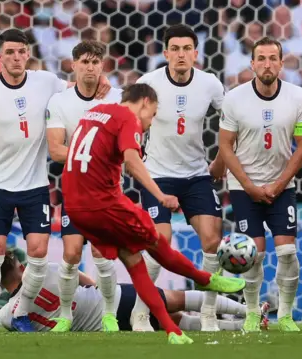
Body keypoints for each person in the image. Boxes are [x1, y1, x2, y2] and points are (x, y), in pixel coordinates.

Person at [0, 29, 110, 333]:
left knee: (38, 251)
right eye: (10, 52)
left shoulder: (45, 81)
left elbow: (78, 87)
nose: (16, 57)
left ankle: (21, 312)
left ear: (28, 54)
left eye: (21, 52)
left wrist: (101, 80)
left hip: (35, 185)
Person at [60, 83, 246, 344]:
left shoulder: (94, 112)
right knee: (160, 247)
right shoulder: (127, 118)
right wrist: (161, 195)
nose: (150, 122)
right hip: (104, 205)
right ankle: (205, 279)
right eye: (154, 113)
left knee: (134, 260)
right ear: (145, 102)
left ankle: (171, 329)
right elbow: (133, 161)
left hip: (75, 207)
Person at [132, 24, 227, 332]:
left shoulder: (210, 84)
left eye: (187, 49)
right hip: (158, 175)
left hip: (196, 174)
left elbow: (232, 125)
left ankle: (210, 313)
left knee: (213, 241)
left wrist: (220, 162)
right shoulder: (148, 83)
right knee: (160, 244)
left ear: (196, 54)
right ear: (166, 53)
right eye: (175, 49)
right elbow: (130, 123)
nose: (181, 54)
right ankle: (140, 313)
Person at [218, 37, 302, 333]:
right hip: (244, 188)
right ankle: (251, 314)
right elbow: (225, 146)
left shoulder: (298, 97)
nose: (267, 63)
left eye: (273, 58)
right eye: (262, 58)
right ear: (252, 63)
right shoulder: (234, 98)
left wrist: (280, 183)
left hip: (281, 187)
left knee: (287, 253)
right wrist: (248, 186)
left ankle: (285, 315)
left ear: (282, 64)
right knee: (253, 256)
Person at [45, 40, 122, 332]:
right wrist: (95, 153)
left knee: (103, 253)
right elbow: (55, 149)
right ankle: (65, 315)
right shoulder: (60, 101)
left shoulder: (116, 98)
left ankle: (109, 315)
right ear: (73, 64)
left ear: (102, 66)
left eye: (95, 62)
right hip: (76, 189)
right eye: (84, 62)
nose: (90, 67)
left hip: (108, 189)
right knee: (71, 254)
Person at [0, 252, 260, 332]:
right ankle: (249, 311)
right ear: (20, 267)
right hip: (112, 301)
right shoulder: (42, 270)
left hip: (99, 329)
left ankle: (240, 326)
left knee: (178, 321)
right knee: (174, 301)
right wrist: (97, 287)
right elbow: (82, 279)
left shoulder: (7, 315)